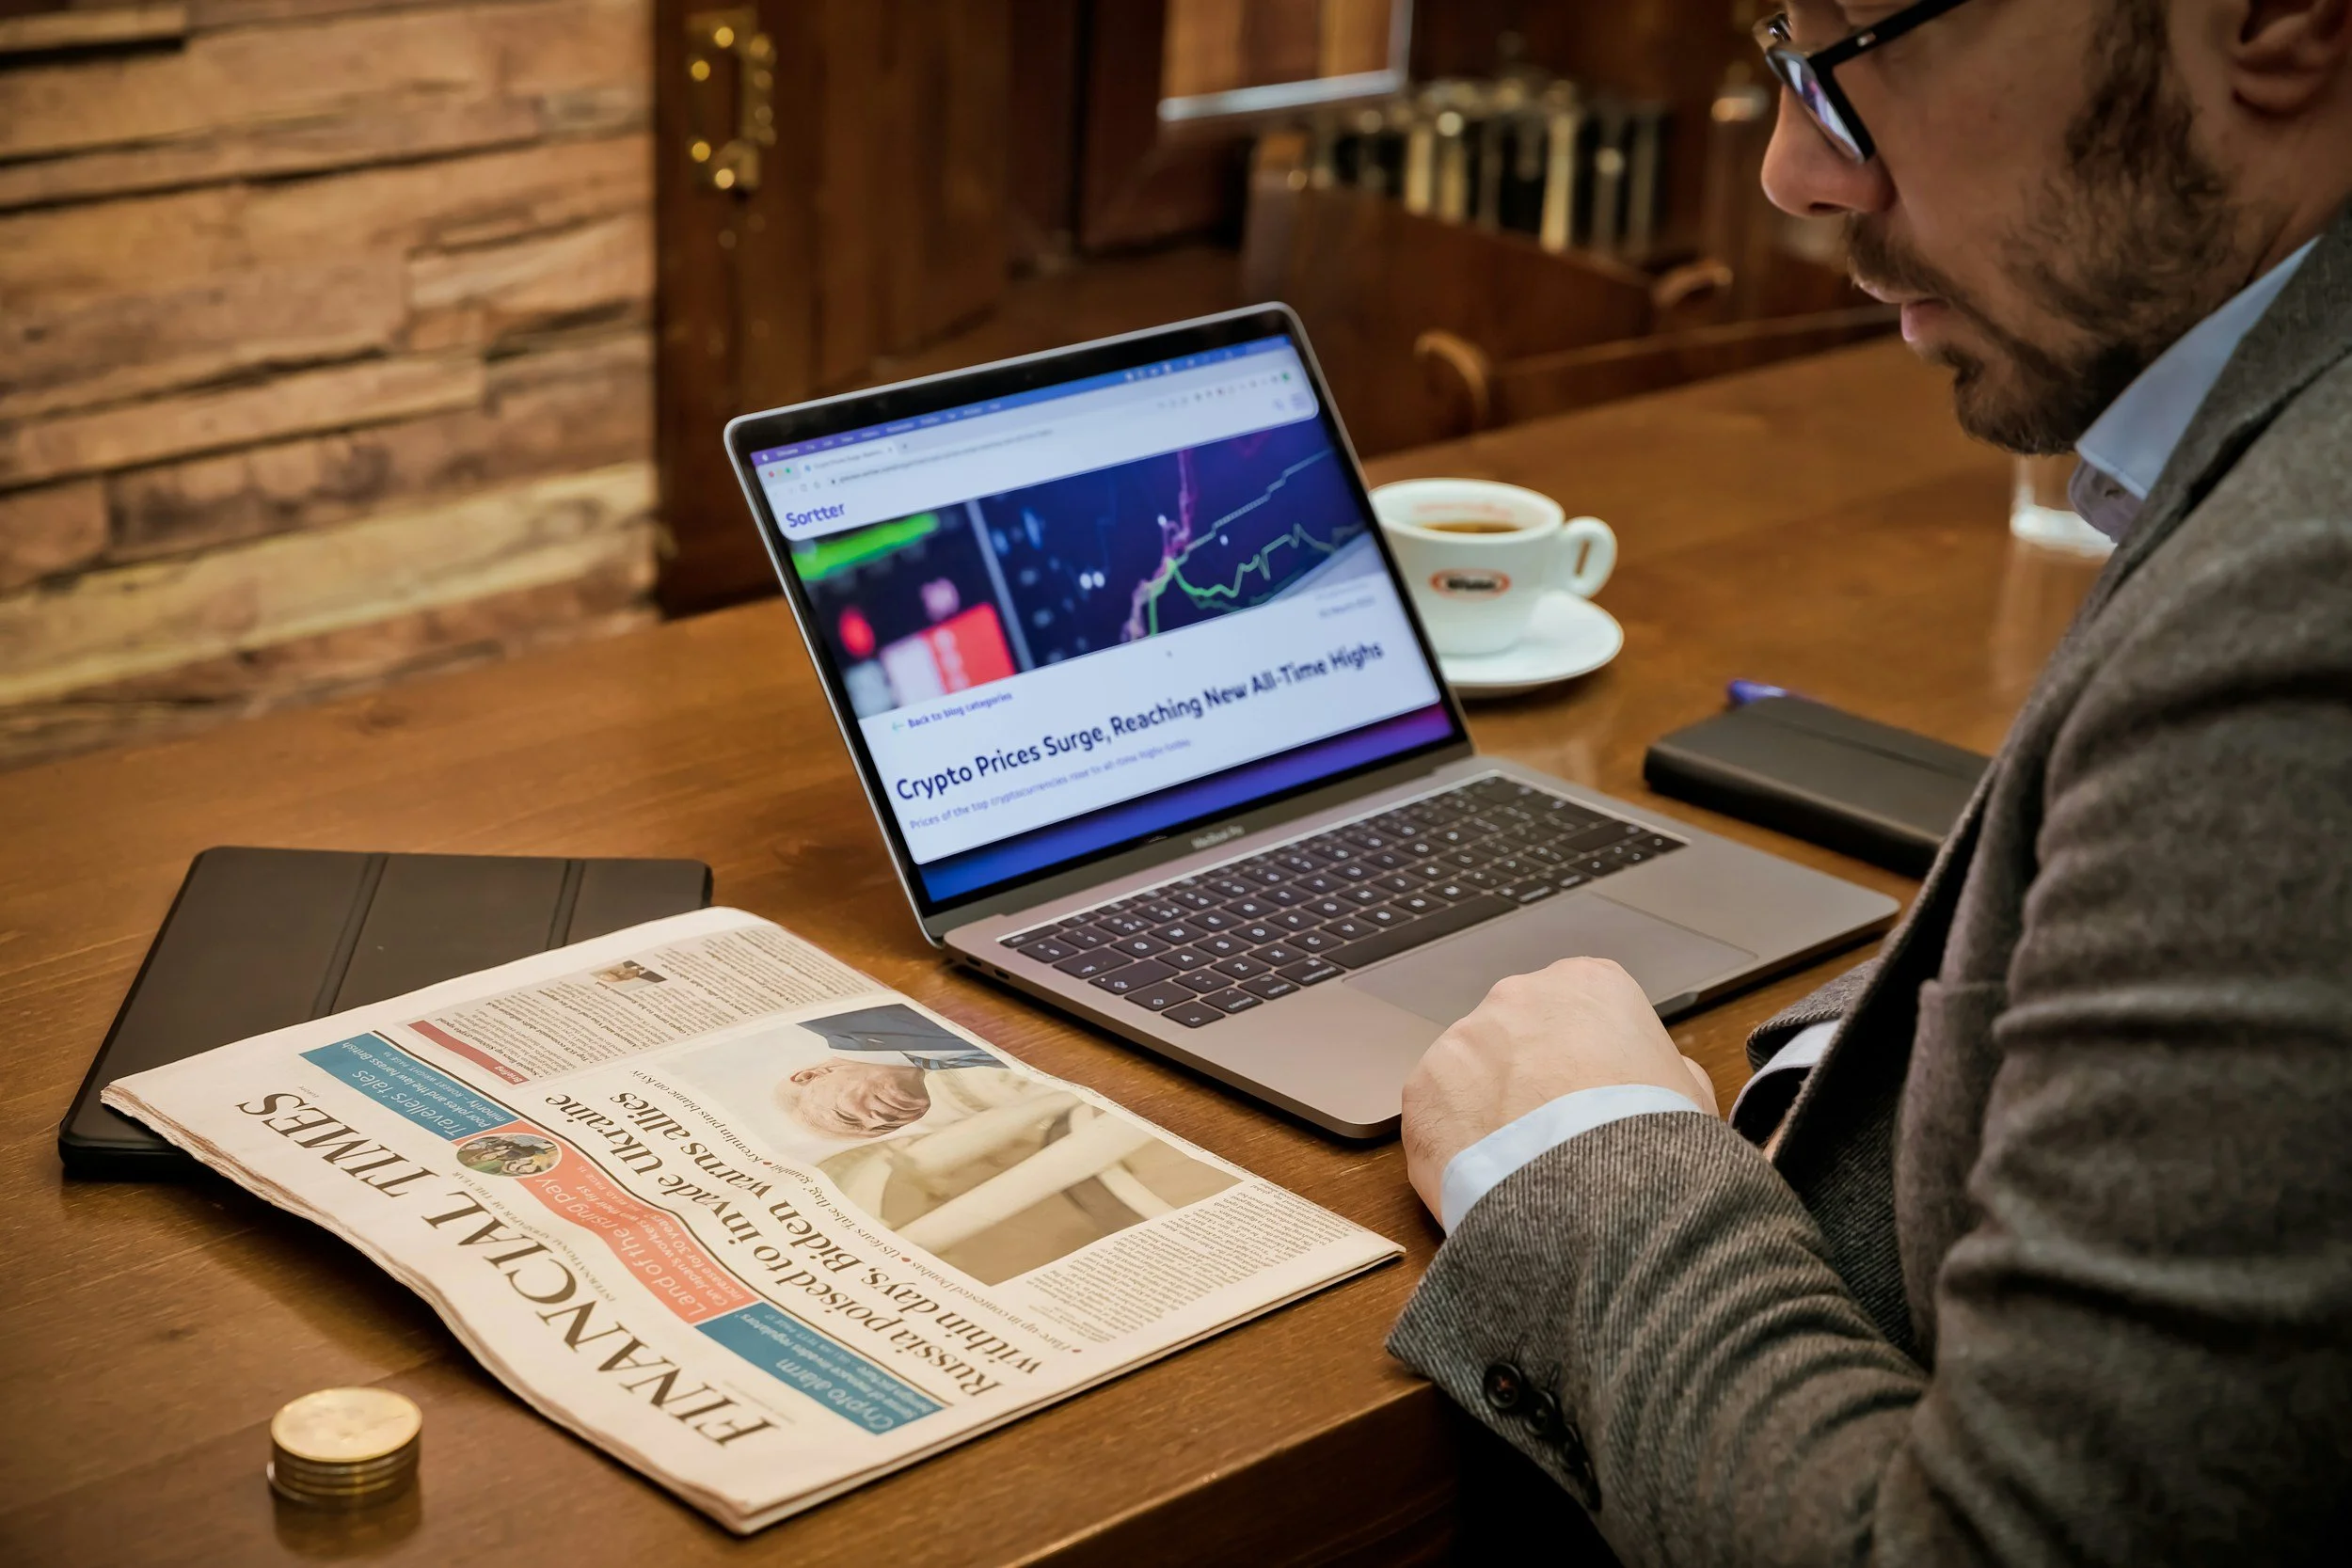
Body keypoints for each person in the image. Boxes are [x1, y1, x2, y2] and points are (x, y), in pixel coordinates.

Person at [1388, 2, 2352, 1561]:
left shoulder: (2302, 604)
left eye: (1849, 37)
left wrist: (1588, 1153)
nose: (1794, 171)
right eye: (1777, 51)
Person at [775, 1004, 1008, 1139]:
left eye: (846, 1116)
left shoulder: (821, 1013)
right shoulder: (991, 1063)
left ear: (809, 1076)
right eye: (880, 1130)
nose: (877, 1122)